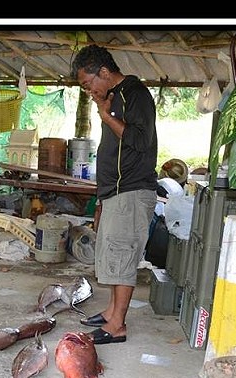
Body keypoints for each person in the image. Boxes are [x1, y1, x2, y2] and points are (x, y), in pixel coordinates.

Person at [72, 45, 158, 344]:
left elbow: (139, 140)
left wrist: (106, 116)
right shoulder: (112, 97)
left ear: (104, 72)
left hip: (132, 190)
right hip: (115, 193)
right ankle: (111, 312)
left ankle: (117, 325)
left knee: (122, 256)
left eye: (88, 83)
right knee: (112, 254)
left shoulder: (135, 94)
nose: (88, 90)